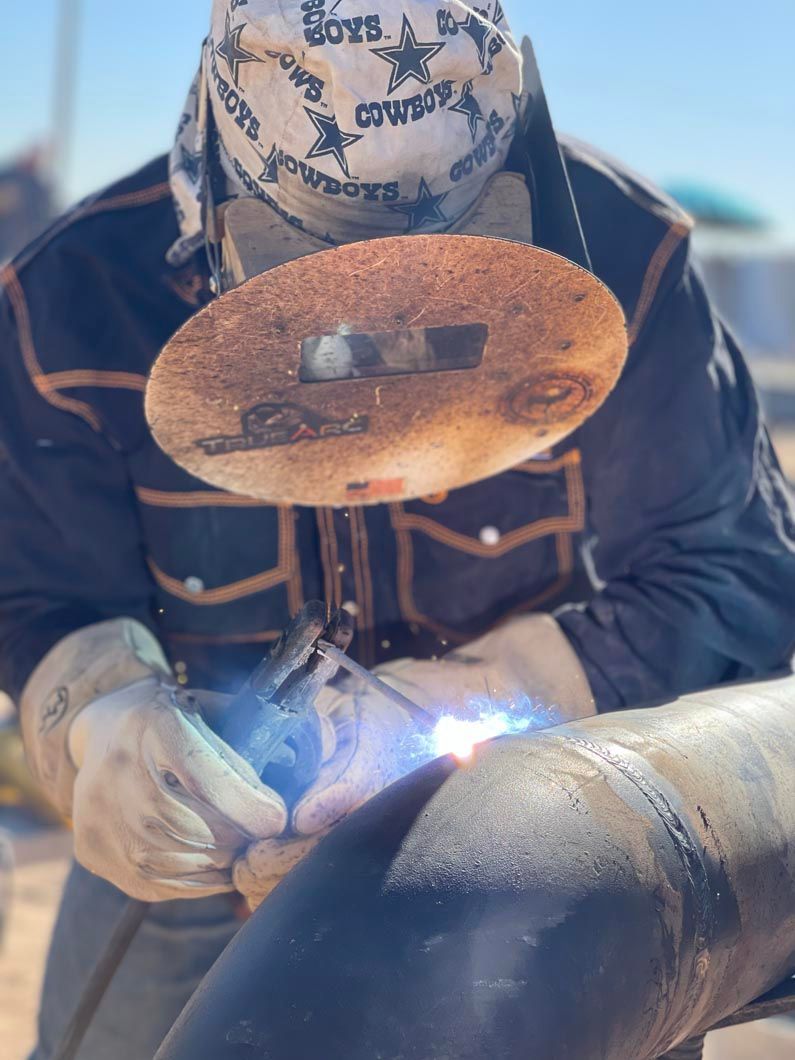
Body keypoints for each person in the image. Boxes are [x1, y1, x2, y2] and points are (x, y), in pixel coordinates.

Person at [1, 2, 793, 1057]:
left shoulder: (626, 261)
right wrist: (95, 714)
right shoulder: (72, 301)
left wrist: (472, 698)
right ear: (231, 177)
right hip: (195, 858)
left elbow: (736, 572)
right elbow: (37, 587)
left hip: (533, 863)